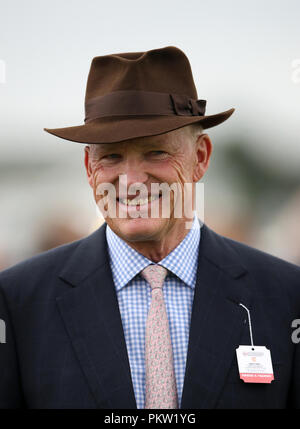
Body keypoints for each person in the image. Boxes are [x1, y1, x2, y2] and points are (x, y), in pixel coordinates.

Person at [0, 46, 299, 409]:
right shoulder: (18, 302)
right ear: (89, 167)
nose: (131, 180)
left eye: (155, 152)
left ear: (200, 157)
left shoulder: (286, 295)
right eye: (111, 156)